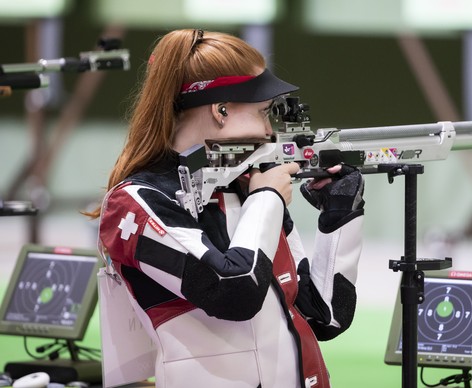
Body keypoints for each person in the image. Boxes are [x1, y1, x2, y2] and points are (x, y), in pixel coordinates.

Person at [92, 29, 365, 388]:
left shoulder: (247, 188)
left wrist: (340, 214)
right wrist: (267, 199)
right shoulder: (135, 203)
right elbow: (233, 293)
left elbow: (324, 317)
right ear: (221, 110)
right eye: (263, 112)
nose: (270, 130)